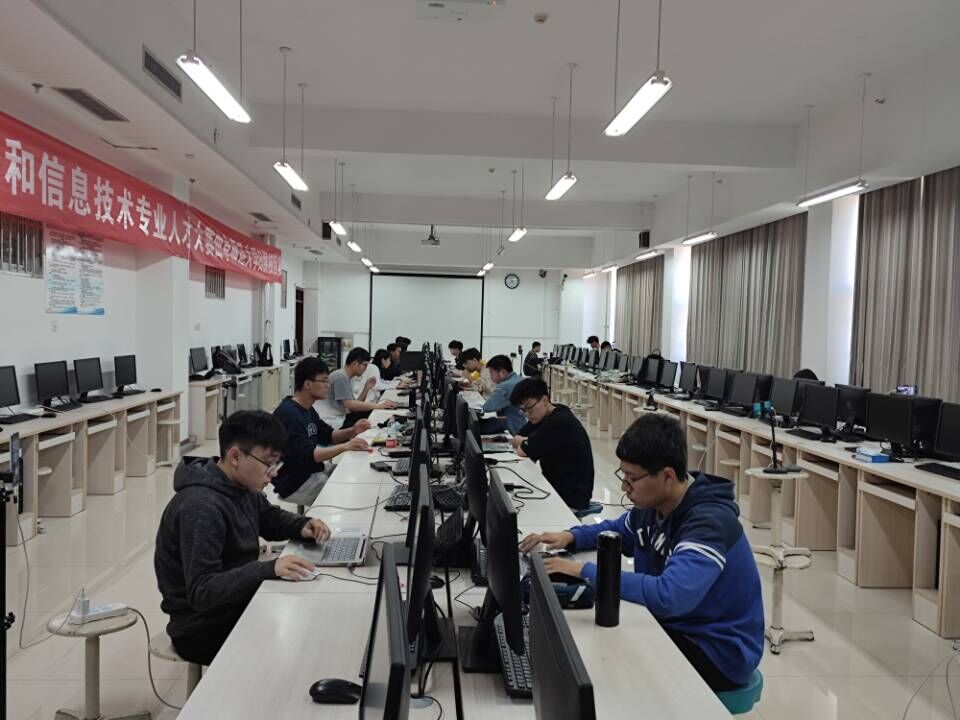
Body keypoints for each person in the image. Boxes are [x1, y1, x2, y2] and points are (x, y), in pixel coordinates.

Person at [519, 413, 764, 692]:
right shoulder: (654, 505)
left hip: (717, 649)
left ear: (667, 476)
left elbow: (669, 596)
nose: (625, 487)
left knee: (607, 660)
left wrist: (582, 570)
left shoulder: (708, 524)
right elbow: (618, 530)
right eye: (623, 476)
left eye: (632, 478)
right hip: (680, 624)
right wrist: (571, 537)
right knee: (593, 638)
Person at [154, 410, 329, 666]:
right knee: (300, 642)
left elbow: (267, 517)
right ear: (235, 456)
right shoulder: (201, 506)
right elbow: (203, 591)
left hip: (234, 603)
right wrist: (267, 569)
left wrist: (302, 526)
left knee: (312, 611)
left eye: (277, 464)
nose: (274, 473)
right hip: (201, 626)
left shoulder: (239, 484)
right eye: (269, 463)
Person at [272, 357, 371, 507]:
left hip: (313, 470)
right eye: (324, 381)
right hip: (296, 482)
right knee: (348, 496)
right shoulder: (289, 414)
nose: (328, 386)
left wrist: (352, 431)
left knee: (354, 475)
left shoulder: (307, 409)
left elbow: (328, 436)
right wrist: (345, 446)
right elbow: (310, 455)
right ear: (307, 384)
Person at [508, 378, 593, 510]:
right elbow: (517, 438)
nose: (527, 414)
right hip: (557, 485)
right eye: (523, 410)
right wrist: (529, 441)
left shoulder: (558, 421)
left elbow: (522, 451)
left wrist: (528, 442)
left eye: (529, 408)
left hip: (570, 496)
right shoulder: (551, 411)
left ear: (545, 400)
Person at [325, 347, 400, 428]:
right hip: (333, 420)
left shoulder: (347, 377)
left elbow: (354, 406)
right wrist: (379, 405)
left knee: (373, 418)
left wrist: (366, 389)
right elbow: (350, 405)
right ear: (355, 364)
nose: (366, 368)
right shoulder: (340, 377)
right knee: (372, 425)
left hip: (342, 416)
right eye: (365, 365)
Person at [481, 355, 525, 434]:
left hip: (513, 428)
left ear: (503, 372)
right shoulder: (520, 379)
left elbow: (487, 407)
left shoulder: (505, 386)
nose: (491, 377)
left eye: (491, 373)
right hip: (523, 425)